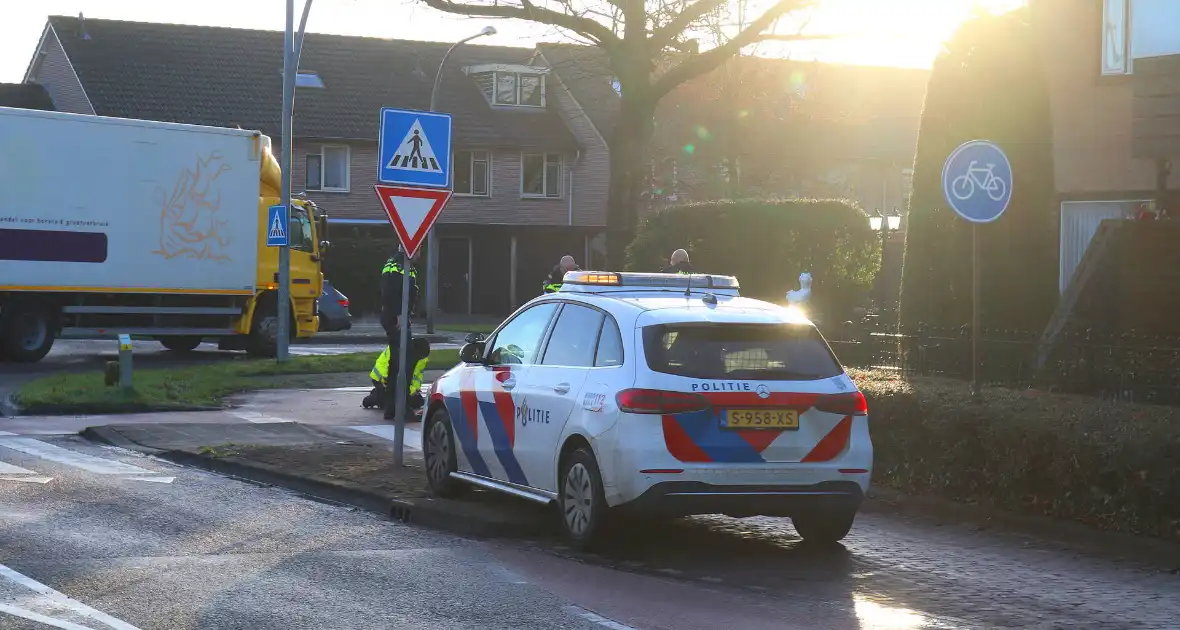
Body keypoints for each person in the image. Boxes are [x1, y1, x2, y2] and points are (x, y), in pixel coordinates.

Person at [380, 246, 420, 419]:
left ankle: (391, 408)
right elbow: (392, 291)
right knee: (405, 363)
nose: (420, 254)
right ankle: (400, 409)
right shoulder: (400, 265)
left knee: (396, 364)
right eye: (419, 250)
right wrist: (398, 314)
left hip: (395, 316)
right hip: (397, 318)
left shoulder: (396, 263)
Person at [363, 336, 431, 413]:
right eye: (420, 356)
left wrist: (414, 390)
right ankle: (375, 396)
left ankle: (387, 396)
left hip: (402, 384)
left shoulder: (421, 359)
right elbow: (388, 371)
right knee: (390, 405)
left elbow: (418, 377)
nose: (421, 358)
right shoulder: (398, 349)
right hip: (382, 380)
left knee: (418, 402)